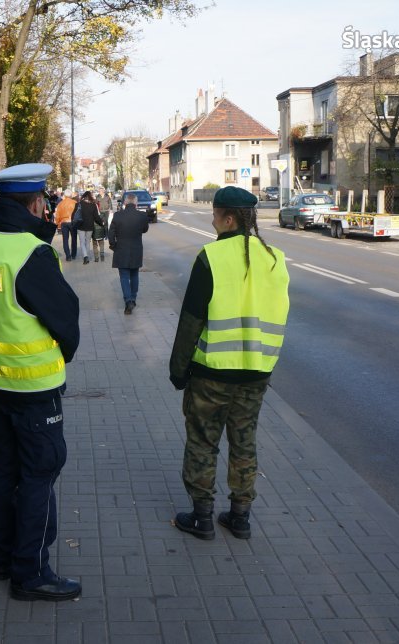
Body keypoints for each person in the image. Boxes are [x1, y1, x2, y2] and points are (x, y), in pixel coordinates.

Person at [0, 163, 81, 601]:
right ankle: (31, 573)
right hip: (34, 391)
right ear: (34, 204)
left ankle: (2, 557)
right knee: (38, 478)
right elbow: (65, 319)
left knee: (3, 473)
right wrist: (62, 355)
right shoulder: (32, 253)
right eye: (43, 203)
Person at [168, 186, 290, 541]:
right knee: (244, 441)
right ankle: (240, 517)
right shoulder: (275, 258)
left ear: (229, 219)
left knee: (203, 442)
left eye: (215, 215)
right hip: (256, 373)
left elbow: (191, 320)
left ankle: (202, 517)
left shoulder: (211, 256)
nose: (212, 221)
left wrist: (178, 370)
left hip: (212, 374)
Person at [109, 192, 150, 314]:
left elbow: (111, 233)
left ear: (125, 203)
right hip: (136, 249)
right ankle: (133, 298)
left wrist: (113, 245)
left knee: (124, 276)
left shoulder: (117, 215)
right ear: (136, 203)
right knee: (134, 275)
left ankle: (128, 301)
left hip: (121, 249)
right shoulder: (142, 215)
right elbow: (145, 229)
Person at [76, 191, 104, 265]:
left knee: (82, 242)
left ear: (84, 196)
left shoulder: (79, 204)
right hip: (90, 226)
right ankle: (87, 256)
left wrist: (74, 222)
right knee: (88, 241)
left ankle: (85, 256)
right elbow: (96, 217)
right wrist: (101, 223)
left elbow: (74, 215)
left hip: (80, 225)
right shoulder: (93, 205)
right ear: (90, 196)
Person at [54, 190, 78, 261]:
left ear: (64, 195)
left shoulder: (60, 204)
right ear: (71, 195)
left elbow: (57, 215)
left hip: (63, 222)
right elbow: (78, 213)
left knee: (65, 240)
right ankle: (73, 255)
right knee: (74, 239)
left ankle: (68, 256)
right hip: (73, 222)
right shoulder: (75, 203)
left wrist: (57, 224)